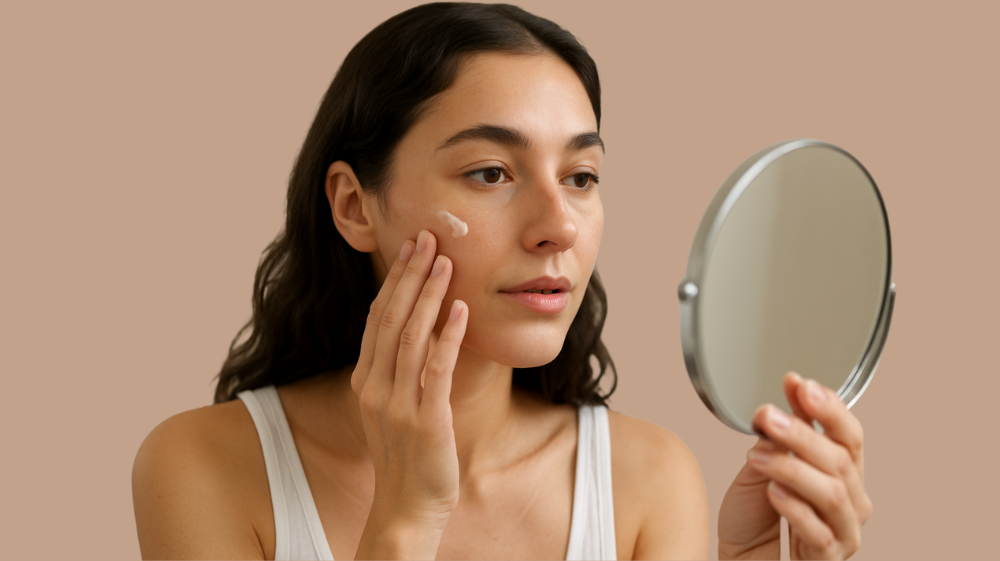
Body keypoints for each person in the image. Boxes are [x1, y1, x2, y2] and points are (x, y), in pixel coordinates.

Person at [131, 3, 871, 559]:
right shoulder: (204, 466)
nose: (559, 225)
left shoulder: (648, 480)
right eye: (491, 172)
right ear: (355, 206)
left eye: (581, 176)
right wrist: (404, 521)